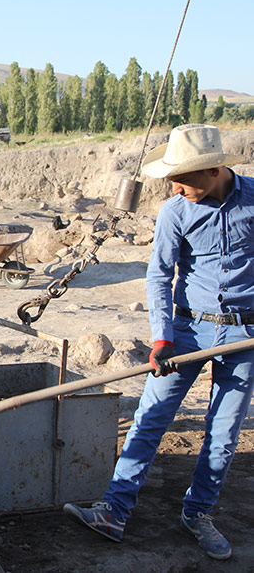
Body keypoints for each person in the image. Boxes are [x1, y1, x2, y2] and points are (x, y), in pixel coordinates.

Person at [64, 124, 253, 560]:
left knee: (224, 432)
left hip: (244, 334)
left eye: (181, 178)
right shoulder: (175, 211)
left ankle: (198, 512)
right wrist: (162, 337)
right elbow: (159, 274)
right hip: (186, 332)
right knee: (151, 417)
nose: (174, 187)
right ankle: (115, 508)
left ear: (212, 170)